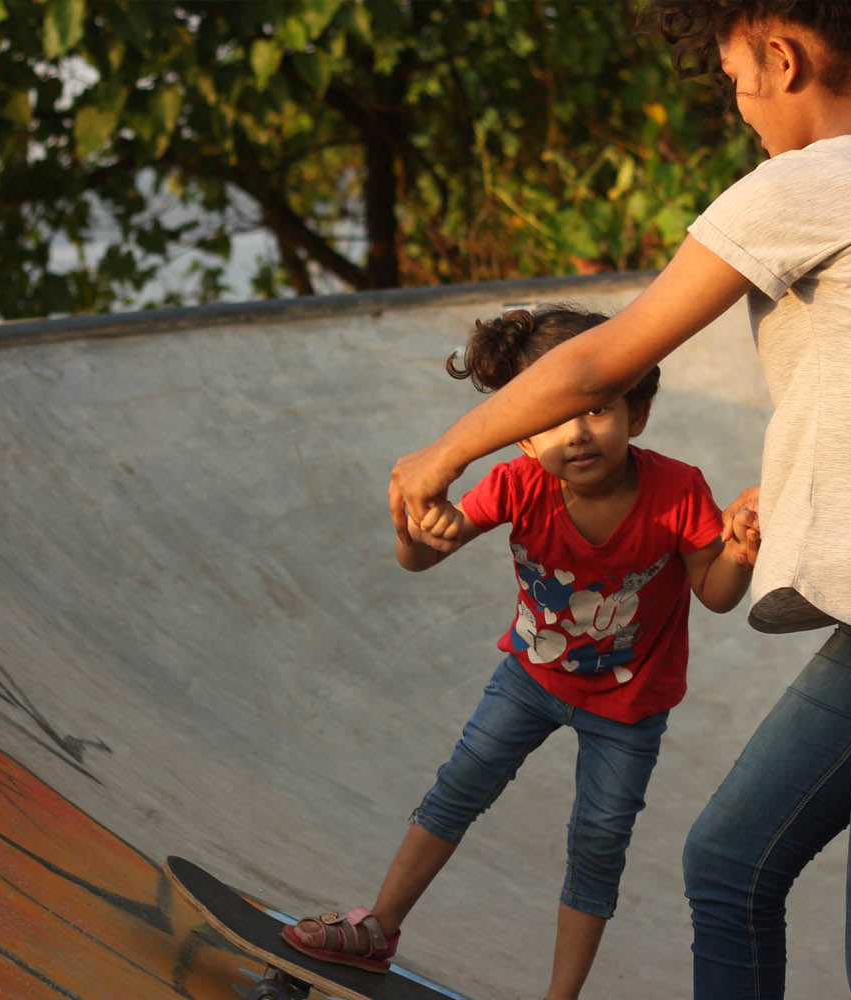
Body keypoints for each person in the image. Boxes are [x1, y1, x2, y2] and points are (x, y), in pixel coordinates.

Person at [386, 3, 851, 998]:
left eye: (734, 81)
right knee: (730, 862)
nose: (740, 107)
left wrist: (446, 449)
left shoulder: (807, 182)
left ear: (781, 54)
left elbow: (602, 358)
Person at [285, 306, 761, 1000]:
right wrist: (417, 527)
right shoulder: (518, 483)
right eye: (553, 418)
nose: (577, 432)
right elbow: (421, 557)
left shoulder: (677, 491)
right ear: (522, 434)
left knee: (597, 850)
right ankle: (378, 928)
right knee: (457, 789)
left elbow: (715, 594)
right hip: (529, 680)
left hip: (629, 711)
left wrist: (740, 554)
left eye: (598, 408)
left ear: (638, 410)